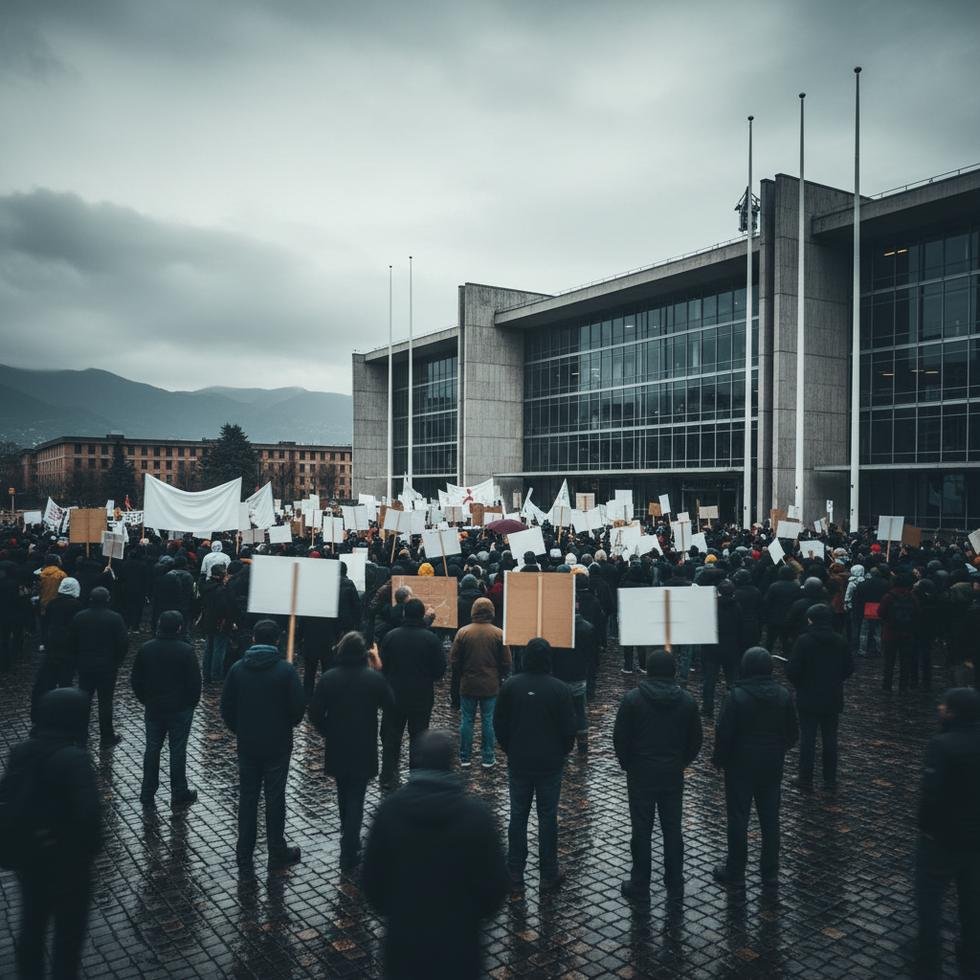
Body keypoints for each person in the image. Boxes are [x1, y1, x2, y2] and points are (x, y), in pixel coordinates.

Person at [363, 730, 509, 980]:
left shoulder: (390, 811)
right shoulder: (476, 815)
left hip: (404, 943)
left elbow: (372, 881)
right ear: (450, 763)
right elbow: (494, 886)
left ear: (418, 761)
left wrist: (397, 911)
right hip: (459, 947)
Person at [2, 688, 102, 980]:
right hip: (67, 864)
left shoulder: (21, 751)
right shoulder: (75, 759)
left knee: (32, 927)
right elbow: (89, 814)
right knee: (67, 941)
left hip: (30, 859)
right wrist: (87, 851)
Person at [614, 650, 703, 904]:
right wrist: (680, 762)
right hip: (672, 773)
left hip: (641, 772)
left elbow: (620, 737)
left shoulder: (633, 700)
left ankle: (640, 882)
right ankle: (675, 880)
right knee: (672, 828)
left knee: (641, 829)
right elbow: (695, 740)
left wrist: (628, 763)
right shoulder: (686, 701)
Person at [220, 619, 305, 871]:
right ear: (277, 640)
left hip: (247, 743)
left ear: (254, 639)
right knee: (275, 797)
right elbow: (298, 709)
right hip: (277, 743)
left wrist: (241, 729)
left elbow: (226, 708)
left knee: (248, 797)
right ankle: (276, 849)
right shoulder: (286, 671)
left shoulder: (237, 669)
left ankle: (244, 851)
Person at [493, 637, 577, 892]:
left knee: (518, 816)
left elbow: (499, 724)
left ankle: (515, 872)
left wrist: (510, 748)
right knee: (547, 817)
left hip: (519, 760)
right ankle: (548, 873)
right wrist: (561, 752)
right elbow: (568, 730)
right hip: (549, 763)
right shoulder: (560, 689)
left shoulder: (511, 686)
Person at [712, 647, 798, 888]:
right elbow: (792, 732)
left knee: (738, 817)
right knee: (770, 818)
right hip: (772, 764)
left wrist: (720, 759)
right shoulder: (782, 695)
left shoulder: (736, 696)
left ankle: (735, 869)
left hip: (740, 765)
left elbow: (724, 733)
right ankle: (770, 871)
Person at [309, 631, 394, 870]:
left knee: (343, 792)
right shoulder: (372, 679)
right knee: (357, 795)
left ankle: (348, 836)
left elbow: (314, 713)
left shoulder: (329, 678)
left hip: (338, 744)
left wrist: (329, 731)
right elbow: (390, 704)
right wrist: (379, 670)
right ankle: (350, 846)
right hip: (363, 744)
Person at [914, 687, 980, 978]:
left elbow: (931, 795)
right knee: (971, 899)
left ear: (953, 712)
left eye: (944, 705)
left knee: (929, 899)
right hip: (975, 837)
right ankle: (971, 953)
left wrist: (926, 830)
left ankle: (928, 958)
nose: (939, 708)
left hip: (942, 838)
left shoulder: (941, 745)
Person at [130, 610, 201, 808]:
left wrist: (146, 700)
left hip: (154, 707)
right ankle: (179, 792)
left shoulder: (147, 648)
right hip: (179, 709)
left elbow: (136, 680)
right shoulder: (186, 651)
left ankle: (147, 791)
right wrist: (189, 705)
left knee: (152, 749)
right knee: (177, 751)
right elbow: (195, 684)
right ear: (179, 627)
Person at [379, 598, 447, 789]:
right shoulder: (431, 639)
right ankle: (416, 778)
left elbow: (382, 666)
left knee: (391, 737)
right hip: (421, 696)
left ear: (404, 614)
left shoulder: (391, 636)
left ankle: (388, 776)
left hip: (393, 695)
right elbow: (440, 669)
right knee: (418, 738)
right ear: (421, 615)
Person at [785, 603, 854, 791]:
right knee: (830, 738)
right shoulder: (840, 640)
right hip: (832, 695)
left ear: (810, 619)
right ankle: (829, 779)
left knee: (808, 738)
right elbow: (849, 667)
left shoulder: (804, 641)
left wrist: (801, 683)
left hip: (808, 695)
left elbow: (792, 670)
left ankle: (805, 777)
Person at [450, 596, 512, 768]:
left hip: (468, 683)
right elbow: (507, 662)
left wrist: (462, 673)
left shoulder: (463, 632)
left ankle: (465, 757)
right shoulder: (499, 633)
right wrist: (499, 675)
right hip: (490, 684)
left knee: (467, 720)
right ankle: (488, 757)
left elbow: (454, 660)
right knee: (488, 720)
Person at [70, 586, 128, 745]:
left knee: (83, 700)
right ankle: (107, 736)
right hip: (107, 667)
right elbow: (123, 643)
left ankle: (80, 734)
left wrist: (77, 660)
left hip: (85, 665)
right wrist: (117, 661)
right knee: (105, 702)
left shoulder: (79, 617)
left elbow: (72, 642)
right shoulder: (115, 618)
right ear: (107, 600)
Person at [30, 575, 82, 718]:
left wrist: (44, 641)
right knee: (65, 681)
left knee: (48, 680)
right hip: (68, 650)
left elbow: (46, 624)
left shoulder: (53, 603)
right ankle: (63, 712)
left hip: (52, 647)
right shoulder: (76, 606)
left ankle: (45, 709)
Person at [879, 572, 920, 693]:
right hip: (907, 633)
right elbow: (917, 613)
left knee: (889, 662)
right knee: (905, 662)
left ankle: (887, 686)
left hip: (890, 633)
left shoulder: (888, 596)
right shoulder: (912, 597)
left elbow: (880, 612)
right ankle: (903, 686)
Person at [199, 565, 237, 684]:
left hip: (208, 620)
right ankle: (216, 675)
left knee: (209, 647)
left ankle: (206, 673)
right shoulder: (222, 589)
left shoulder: (206, 586)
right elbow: (225, 608)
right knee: (219, 649)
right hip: (220, 622)